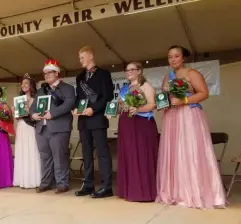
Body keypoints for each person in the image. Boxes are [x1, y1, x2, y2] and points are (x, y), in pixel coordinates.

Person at [156, 45, 226, 209]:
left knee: (190, 150)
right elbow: (165, 96)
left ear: (183, 58)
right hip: (172, 116)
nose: (173, 60)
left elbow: (204, 93)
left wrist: (185, 100)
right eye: (170, 57)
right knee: (174, 152)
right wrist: (164, 104)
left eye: (176, 56)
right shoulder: (167, 77)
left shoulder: (192, 74)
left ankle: (195, 192)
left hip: (188, 114)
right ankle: (176, 191)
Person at [29, 59, 76, 194]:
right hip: (41, 128)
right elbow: (33, 107)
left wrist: (52, 113)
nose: (47, 75)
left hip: (59, 127)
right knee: (45, 157)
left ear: (57, 73)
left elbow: (69, 104)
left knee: (60, 156)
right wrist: (33, 115)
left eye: (50, 72)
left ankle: (62, 184)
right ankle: (46, 183)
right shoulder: (41, 90)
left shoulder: (67, 88)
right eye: (45, 73)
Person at [74, 46, 115, 199]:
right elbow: (78, 97)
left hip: (97, 119)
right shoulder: (79, 77)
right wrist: (75, 109)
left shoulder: (104, 74)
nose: (80, 60)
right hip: (83, 120)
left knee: (103, 154)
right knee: (86, 154)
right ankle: (88, 184)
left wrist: (93, 109)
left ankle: (106, 186)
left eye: (82, 57)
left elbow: (107, 96)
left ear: (90, 56)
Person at [115, 62, 159, 202]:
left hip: (141, 124)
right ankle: (129, 189)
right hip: (126, 124)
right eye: (127, 70)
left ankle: (143, 192)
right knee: (129, 155)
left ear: (139, 71)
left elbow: (153, 104)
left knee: (141, 154)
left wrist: (138, 109)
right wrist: (115, 109)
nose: (128, 72)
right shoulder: (124, 89)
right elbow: (121, 106)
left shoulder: (146, 86)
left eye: (132, 70)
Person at [13, 74, 42, 189]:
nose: (24, 85)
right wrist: (15, 111)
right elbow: (18, 117)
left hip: (31, 128)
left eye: (26, 83)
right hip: (21, 126)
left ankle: (33, 179)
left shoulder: (36, 99)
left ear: (31, 86)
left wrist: (29, 110)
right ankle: (22, 179)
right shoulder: (19, 99)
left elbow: (38, 115)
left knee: (32, 151)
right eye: (22, 84)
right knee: (22, 151)